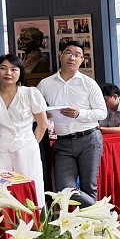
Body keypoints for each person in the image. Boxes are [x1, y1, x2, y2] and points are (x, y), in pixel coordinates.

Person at [37, 40, 106, 206]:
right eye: (68, 52)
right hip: (63, 143)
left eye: (77, 55)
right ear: (60, 55)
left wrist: (79, 113)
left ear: (82, 60)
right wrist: (43, 114)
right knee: (64, 189)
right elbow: (35, 110)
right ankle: (102, 211)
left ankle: (90, 220)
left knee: (89, 186)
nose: (72, 57)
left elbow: (102, 112)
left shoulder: (89, 83)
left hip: (89, 139)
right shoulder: (45, 84)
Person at [0, 54, 49, 203]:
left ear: (20, 72)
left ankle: (35, 218)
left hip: (26, 148)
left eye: (13, 69)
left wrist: (30, 142)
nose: (8, 73)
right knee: (1, 192)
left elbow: (43, 124)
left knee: (30, 190)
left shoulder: (30, 93)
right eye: (3, 68)